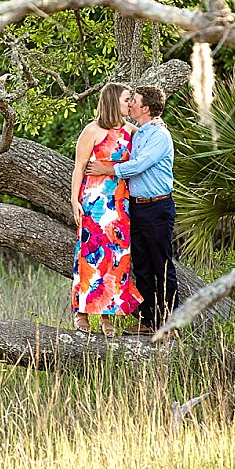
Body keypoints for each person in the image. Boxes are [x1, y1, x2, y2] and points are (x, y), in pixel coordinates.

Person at [86, 85, 178, 335]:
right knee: (143, 267)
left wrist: (107, 170)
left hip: (157, 207)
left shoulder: (159, 136)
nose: (130, 105)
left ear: (145, 108)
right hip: (136, 209)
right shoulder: (139, 133)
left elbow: (138, 166)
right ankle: (148, 321)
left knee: (162, 265)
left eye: (134, 101)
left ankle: (170, 323)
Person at [71, 82, 144, 338]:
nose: (130, 103)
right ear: (114, 101)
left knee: (117, 259)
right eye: (126, 99)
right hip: (94, 202)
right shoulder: (92, 131)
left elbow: (150, 131)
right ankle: (81, 313)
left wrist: (160, 124)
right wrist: (73, 200)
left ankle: (107, 316)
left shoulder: (130, 130)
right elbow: (79, 168)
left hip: (120, 203)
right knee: (89, 257)